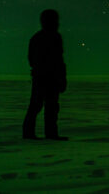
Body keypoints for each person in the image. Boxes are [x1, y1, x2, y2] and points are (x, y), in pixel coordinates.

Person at [22, 9, 68, 140]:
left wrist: (61, 77)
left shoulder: (48, 37)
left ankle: (48, 134)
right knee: (39, 105)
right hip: (44, 77)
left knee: (50, 107)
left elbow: (59, 59)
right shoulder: (44, 38)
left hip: (48, 77)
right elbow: (57, 59)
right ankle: (31, 134)